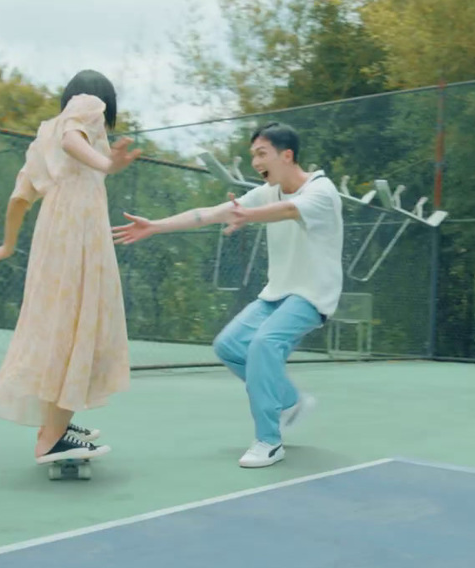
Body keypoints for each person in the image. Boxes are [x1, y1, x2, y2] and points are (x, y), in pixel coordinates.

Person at [113, 122, 342, 468]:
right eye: (253, 155)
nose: (255, 161)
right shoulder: (268, 191)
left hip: (312, 295)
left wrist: (248, 216)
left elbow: (290, 210)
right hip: (277, 292)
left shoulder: (322, 191)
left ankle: (269, 441)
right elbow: (208, 214)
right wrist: (156, 226)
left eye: (261, 153)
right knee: (230, 346)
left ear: (287, 155)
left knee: (264, 344)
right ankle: (290, 401)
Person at [0, 69, 142, 466]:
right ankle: (50, 438)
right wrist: (107, 163)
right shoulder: (86, 105)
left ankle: (57, 425)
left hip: (53, 234)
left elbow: (19, 198)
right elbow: (72, 138)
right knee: (83, 322)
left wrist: (8, 245)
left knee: (62, 324)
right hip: (78, 230)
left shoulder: (41, 137)